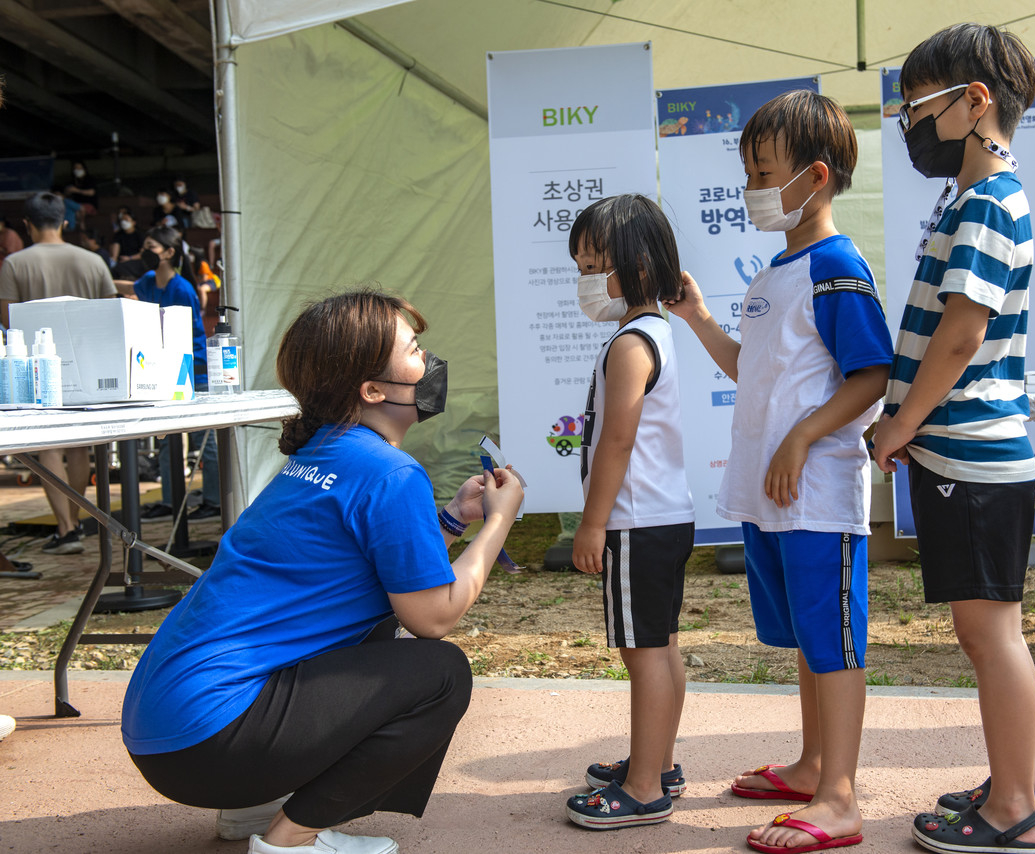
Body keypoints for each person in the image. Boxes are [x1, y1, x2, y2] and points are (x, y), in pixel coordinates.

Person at [122, 289, 524, 854]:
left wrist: (456, 519)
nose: (429, 361)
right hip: (211, 738)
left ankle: (252, 809)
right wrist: (498, 525)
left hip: (165, 730)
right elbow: (434, 615)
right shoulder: (390, 472)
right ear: (372, 390)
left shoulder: (324, 453)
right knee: (440, 673)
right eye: (414, 350)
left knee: (376, 627)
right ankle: (291, 840)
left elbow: (389, 571)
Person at [665, 90, 892, 853]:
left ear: (816, 176)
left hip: (819, 496)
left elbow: (870, 375)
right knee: (807, 638)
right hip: (774, 501)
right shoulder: (777, 272)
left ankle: (840, 798)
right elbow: (751, 366)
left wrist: (800, 439)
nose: (752, 189)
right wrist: (699, 318)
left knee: (834, 642)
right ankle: (811, 766)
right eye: (749, 173)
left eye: (764, 173)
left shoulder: (836, 266)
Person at [869, 24, 1035, 854]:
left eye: (919, 106)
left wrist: (901, 423)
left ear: (976, 102)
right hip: (969, 448)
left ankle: (1014, 807)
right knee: (989, 628)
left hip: (968, 451)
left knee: (991, 632)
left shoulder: (986, 201)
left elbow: (961, 333)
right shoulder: (975, 196)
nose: (911, 123)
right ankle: (1027, 777)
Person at [562, 195, 695, 831]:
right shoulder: (657, 330)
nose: (585, 280)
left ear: (635, 266)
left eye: (593, 265)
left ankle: (643, 788)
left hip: (635, 523)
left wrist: (593, 524)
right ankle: (657, 763)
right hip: (666, 516)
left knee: (643, 654)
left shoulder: (629, 344)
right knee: (661, 647)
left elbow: (616, 440)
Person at [0, 191, 117, 555]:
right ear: (64, 222)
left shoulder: (15, 264)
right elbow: (112, 314)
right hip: (88, 366)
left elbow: (8, 320)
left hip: (36, 367)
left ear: (28, 224)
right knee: (79, 447)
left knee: (48, 445)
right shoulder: (93, 261)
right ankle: (76, 520)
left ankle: (66, 528)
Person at [131, 226, 220, 522]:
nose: (145, 252)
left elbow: (183, 332)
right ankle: (170, 501)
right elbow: (128, 290)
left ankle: (214, 501)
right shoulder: (147, 281)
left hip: (190, 365)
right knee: (168, 437)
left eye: (151, 246)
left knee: (203, 438)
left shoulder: (182, 289)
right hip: (162, 363)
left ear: (169, 252)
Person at [110, 207, 145, 279]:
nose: (123, 222)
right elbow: (115, 251)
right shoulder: (118, 235)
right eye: (122, 220)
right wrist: (114, 260)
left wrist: (130, 258)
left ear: (133, 222)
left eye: (126, 220)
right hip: (122, 260)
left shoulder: (139, 235)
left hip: (135, 261)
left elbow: (143, 253)